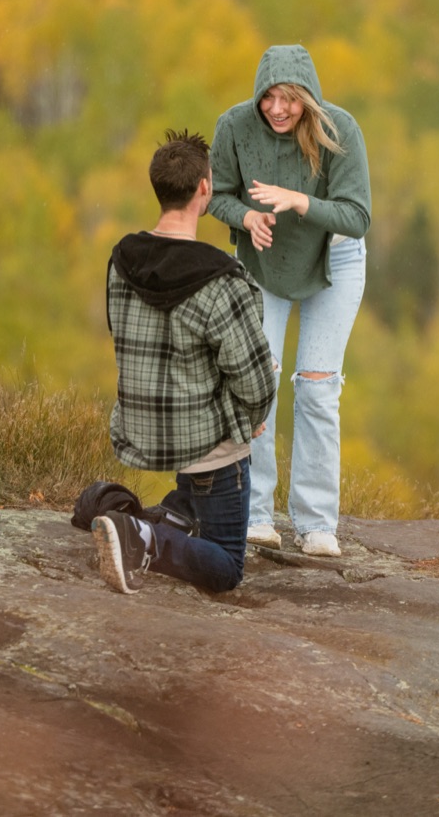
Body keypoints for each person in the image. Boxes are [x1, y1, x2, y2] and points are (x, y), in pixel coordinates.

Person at [96, 129, 278, 595]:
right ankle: (143, 538)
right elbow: (256, 385)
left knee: (200, 430)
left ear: (159, 189)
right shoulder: (222, 281)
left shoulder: (121, 261)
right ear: (204, 189)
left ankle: (111, 507)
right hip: (206, 449)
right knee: (226, 568)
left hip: (142, 431)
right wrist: (251, 420)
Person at [208, 44, 370, 557]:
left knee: (318, 388)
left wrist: (300, 200)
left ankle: (317, 524)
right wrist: (247, 217)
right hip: (263, 262)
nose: (278, 108)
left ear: (309, 99)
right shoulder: (233, 126)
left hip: (334, 262)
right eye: (269, 97)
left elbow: (357, 217)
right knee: (257, 385)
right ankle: (255, 516)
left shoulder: (341, 131)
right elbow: (215, 193)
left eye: (290, 98)